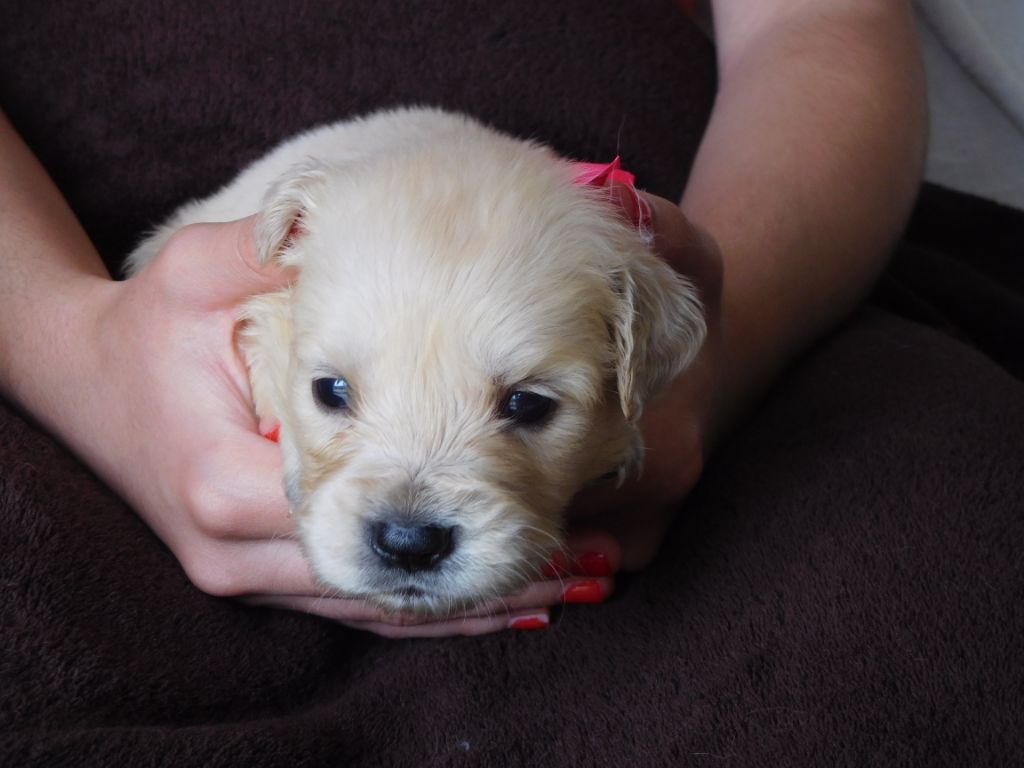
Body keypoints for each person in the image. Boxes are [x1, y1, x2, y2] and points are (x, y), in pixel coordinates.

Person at [0, 0, 925, 637]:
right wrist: (71, 338)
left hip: (768, 243)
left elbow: (825, 18)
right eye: (334, 393)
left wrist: (724, 353)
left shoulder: (652, 341)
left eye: (525, 406)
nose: (409, 522)